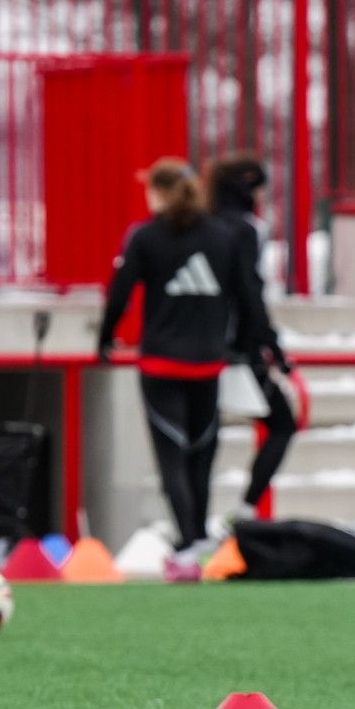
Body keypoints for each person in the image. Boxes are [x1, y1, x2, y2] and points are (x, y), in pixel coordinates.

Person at [96, 158, 270, 554]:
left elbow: (120, 292)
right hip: (208, 362)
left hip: (161, 362)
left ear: (157, 191)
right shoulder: (223, 236)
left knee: (171, 455)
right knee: (202, 452)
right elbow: (248, 294)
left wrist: (105, 340)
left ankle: (188, 538)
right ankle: (200, 537)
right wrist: (253, 345)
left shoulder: (144, 237)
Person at [207, 154, 296, 523]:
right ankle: (245, 509)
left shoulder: (203, 224)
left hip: (197, 341)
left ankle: (192, 527)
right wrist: (271, 346)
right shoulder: (247, 229)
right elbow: (250, 291)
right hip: (239, 348)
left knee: (200, 438)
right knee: (283, 423)